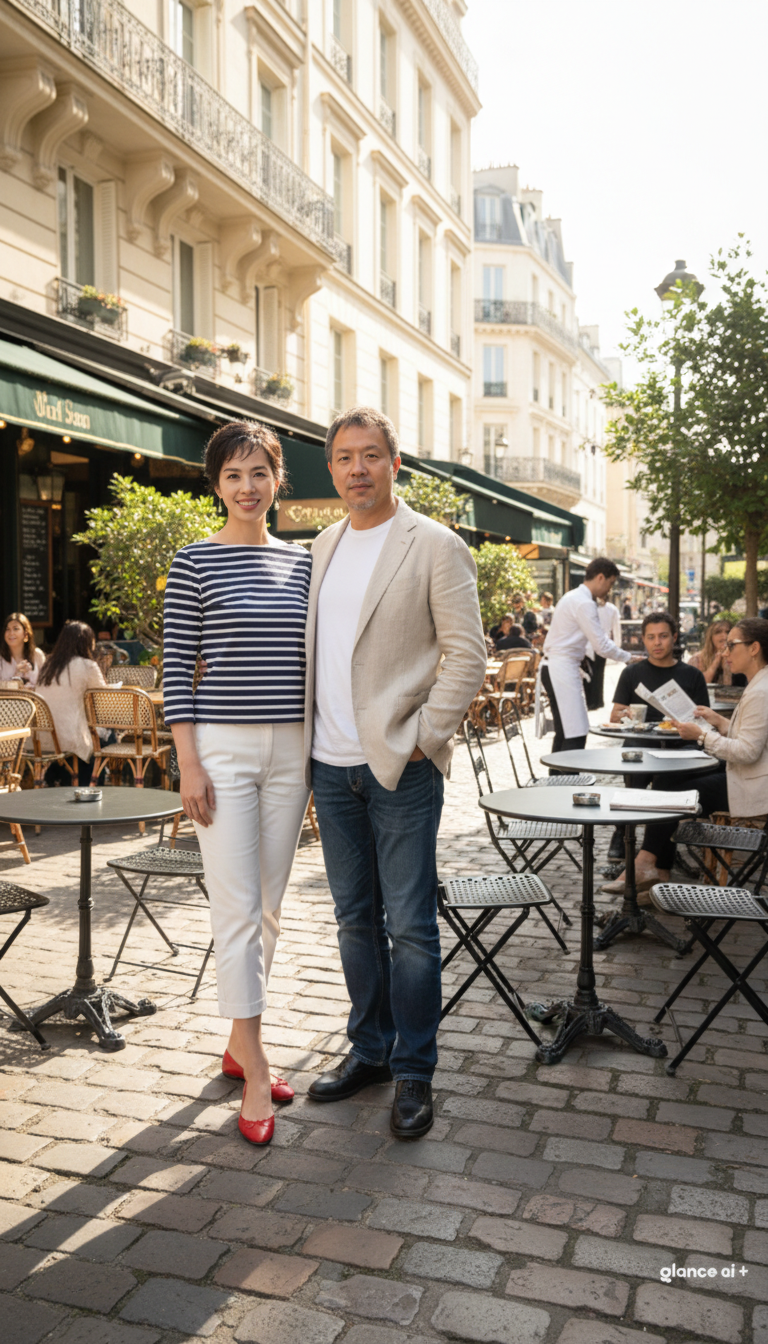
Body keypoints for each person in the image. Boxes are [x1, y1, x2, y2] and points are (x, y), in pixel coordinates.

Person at [304, 407, 487, 1138]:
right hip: (329, 766)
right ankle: (369, 1051)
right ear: (332, 468)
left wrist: (423, 738)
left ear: (395, 463)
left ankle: (414, 1071)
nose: (358, 468)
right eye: (345, 457)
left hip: (400, 769)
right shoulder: (320, 545)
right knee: (354, 922)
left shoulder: (435, 546)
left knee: (409, 927)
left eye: (371, 455)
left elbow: (466, 653)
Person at [163, 421, 312, 1148]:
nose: (247, 487)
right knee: (237, 908)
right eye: (233, 475)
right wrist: (188, 762)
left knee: (272, 907)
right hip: (219, 752)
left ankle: (236, 1041)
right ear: (215, 484)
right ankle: (254, 1065)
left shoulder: (304, 564)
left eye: (259, 473)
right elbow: (175, 675)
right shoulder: (193, 562)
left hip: (293, 750)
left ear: (277, 480)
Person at [615, 618, 768, 888]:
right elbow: (754, 739)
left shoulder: (760, 691)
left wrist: (702, 735)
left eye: (731, 645)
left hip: (753, 787)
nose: (725, 652)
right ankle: (653, 867)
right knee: (665, 780)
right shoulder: (759, 684)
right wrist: (721, 723)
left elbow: (747, 752)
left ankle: (646, 864)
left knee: (672, 790)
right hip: (747, 775)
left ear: (754, 648)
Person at [602, 610, 709, 876]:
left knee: (669, 781)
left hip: (680, 742)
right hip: (641, 740)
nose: (657, 643)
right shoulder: (632, 673)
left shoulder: (691, 675)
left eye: (663, 636)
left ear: (674, 637)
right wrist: (623, 715)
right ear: (643, 640)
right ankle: (623, 832)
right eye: (651, 637)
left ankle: (657, 853)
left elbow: (704, 719)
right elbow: (615, 715)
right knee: (633, 761)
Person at [541, 558, 635, 754]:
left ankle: (557, 781)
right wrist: (629, 658)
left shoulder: (573, 596)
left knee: (565, 732)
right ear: (600, 578)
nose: (609, 590)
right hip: (561, 668)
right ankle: (569, 781)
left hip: (557, 667)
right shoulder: (584, 602)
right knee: (576, 732)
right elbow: (600, 644)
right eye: (610, 584)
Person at [36, 621, 107, 785]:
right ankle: (93, 788)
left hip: (42, 739)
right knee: (106, 738)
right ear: (87, 642)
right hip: (70, 739)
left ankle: (59, 775)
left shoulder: (48, 665)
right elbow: (103, 699)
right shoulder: (87, 665)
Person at [584, 596, 622, 712]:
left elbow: (616, 628)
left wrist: (616, 646)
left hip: (600, 644)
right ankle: (593, 701)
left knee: (598, 673)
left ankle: (596, 701)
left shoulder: (612, 609)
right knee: (590, 673)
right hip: (589, 645)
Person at [689, 620, 746, 687]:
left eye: (728, 632)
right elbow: (699, 685)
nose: (725, 636)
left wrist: (727, 669)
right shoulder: (697, 659)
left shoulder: (740, 659)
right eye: (718, 632)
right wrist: (716, 662)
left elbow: (730, 690)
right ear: (710, 637)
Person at [0, 613, 45, 685]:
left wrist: (32, 686)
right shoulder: (1, 660)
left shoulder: (37, 655)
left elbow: (46, 685)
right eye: (7, 629)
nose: (11, 633)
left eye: (15, 629)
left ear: (25, 635)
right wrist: (16, 677)